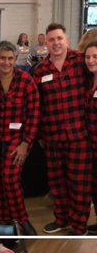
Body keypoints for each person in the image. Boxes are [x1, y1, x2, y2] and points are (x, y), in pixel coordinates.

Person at [33, 22, 92, 235]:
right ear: (45, 43)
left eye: (59, 38)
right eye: (51, 39)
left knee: (79, 183)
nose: (56, 43)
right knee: (57, 182)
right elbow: (38, 106)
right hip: (52, 136)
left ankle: (79, 226)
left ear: (67, 40)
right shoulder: (40, 70)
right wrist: (40, 135)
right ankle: (63, 218)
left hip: (79, 135)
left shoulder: (81, 62)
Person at [0, 41, 39, 235]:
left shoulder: (26, 81)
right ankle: (4, 219)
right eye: (3, 58)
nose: (6, 62)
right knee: (0, 180)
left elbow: (34, 114)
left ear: (15, 59)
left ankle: (22, 219)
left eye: (10, 58)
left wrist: (26, 143)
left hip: (17, 141)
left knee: (10, 179)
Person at [83, 41, 97, 235]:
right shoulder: (89, 80)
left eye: (95, 57)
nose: (91, 60)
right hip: (91, 144)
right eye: (88, 57)